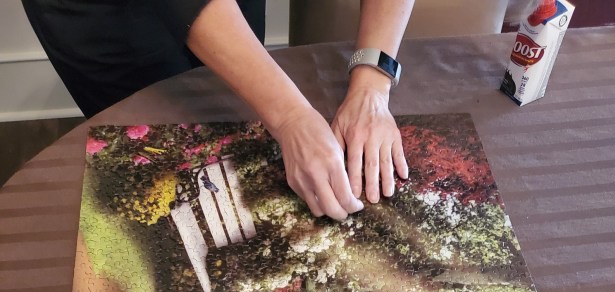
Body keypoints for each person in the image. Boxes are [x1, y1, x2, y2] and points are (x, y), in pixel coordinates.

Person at [21, 0, 414, 220]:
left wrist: (372, 82)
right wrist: (291, 117)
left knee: (237, 117)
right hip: (110, 18)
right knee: (152, 154)